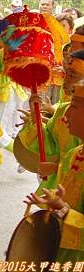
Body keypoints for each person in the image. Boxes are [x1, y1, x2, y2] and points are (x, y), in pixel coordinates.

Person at [24, 83, 84, 264]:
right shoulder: (75, 154)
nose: (65, 115)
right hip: (63, 247)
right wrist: (54, 206)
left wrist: (63, 210)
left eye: (74, 107)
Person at [18, 49, 84, 190]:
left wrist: (58, 168)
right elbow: (50, 143)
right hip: (57, 191)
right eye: (66, 73)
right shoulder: (63, 109)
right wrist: (36, 120)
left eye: (72, 75)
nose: (65, 79)